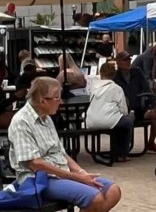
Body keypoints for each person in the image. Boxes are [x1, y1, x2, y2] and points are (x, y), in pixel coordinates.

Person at [8, 76, 121, 211]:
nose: (60, 102)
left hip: (61, 173)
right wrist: (76, 177)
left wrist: (81, 172)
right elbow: (35, 164)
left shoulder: (46, 118)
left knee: (113, 191)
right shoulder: (21, 122)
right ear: (42, 100)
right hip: (38, 179)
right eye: (57, 98)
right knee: (95, 198)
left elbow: (61, 153)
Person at [113, 52, 156, 154]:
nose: (128, 62)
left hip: (139, 108)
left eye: (129, 60)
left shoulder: (137, 72)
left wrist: (153, 105)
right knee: (122, 120)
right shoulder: (115, 77)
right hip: (123, 110)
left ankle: (150, 143)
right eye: (125, 60)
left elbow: (147, 89)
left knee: (154, 116)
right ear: (118, 62)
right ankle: (122, 148)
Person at [86, 63, 133, 164]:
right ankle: (123, 154)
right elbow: (124, 110)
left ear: (100, 73)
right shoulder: (116, 88)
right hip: (110, 120)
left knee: (118, 123)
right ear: (114, 74)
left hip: (91, 120)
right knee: (127, 122)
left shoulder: (94, 87)